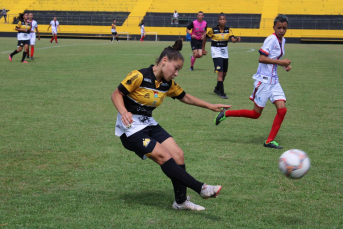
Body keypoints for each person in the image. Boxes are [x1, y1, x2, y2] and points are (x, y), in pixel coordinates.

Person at [111, 40, 231, 211]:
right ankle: (201, 188)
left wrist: (210, 106)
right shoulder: (139, 76)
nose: (176, 73)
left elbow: (185, 97)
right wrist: (124, 112)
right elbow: (116, 93)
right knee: (163, 156)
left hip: (148, 123)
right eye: (175, 68)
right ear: (164, 61)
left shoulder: (167, 84)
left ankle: (180, 202)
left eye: (179, 70)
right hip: (130, 129)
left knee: (178, 155)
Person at [215, 14, 291, 149]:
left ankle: (269, 141)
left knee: (282, 109)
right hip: (264, 81)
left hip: (274, 81)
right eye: (279, 27)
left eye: (284, 28)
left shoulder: (282, 40)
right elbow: (261, 58)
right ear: (274, 27)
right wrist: (281, 62)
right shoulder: (271, 40)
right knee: (255, 114)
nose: (281, 30)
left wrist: (284, 65)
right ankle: (225, 113)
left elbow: (274, 58)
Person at [204, 13, 241, 99]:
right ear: (218, 20)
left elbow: (232, 39)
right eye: (220, 19)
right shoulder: (213, 30)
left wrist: (236, 39)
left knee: (224, 73)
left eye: (224, 19)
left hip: (225, 53)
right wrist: (203, 49)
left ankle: (217, 88)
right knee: (220, 73)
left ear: (226, 21)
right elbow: (205, 37)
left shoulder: (229, 30)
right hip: (216, 52)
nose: (222, 21)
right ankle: (222, 93)